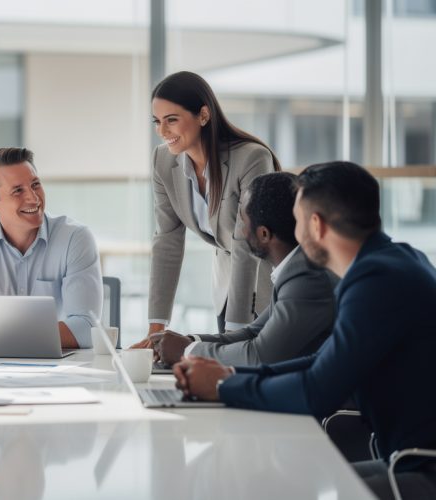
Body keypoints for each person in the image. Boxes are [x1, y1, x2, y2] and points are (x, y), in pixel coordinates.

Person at [173, 162, 436, 499]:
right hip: (406, 460)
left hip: (420, 468)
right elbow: (320, 362)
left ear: (316, 225)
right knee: (286, 486)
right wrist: (228, 374)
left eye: (296, 222)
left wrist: (224, 386)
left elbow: (318, 390)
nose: (293, 235)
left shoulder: (376, 282)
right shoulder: (394, 262)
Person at [134, 71, 281, 349]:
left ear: (203, 115)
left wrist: (234, 333)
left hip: (265, 282)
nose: (162, 132)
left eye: (172, 120)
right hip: (226, 283)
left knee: (246, 363)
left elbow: (244, 245)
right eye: (157, 122)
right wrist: (156, 329)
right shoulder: (164, 161)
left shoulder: (251, 158)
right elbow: (167, 241)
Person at [153, 172, 337, 366]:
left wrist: (185, 351)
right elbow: (253, 333)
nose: (241, 232)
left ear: (264, 234)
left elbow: (258, 356)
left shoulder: (307, 279)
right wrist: (190, 341)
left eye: (244, 222)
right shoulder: (294, 269)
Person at [0, 147, 103, 349]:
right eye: (18, 191)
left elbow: (86, 328)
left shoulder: (74, 238)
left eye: (35, 185)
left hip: (55, 370)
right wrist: (33, 335)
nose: (33, 198)